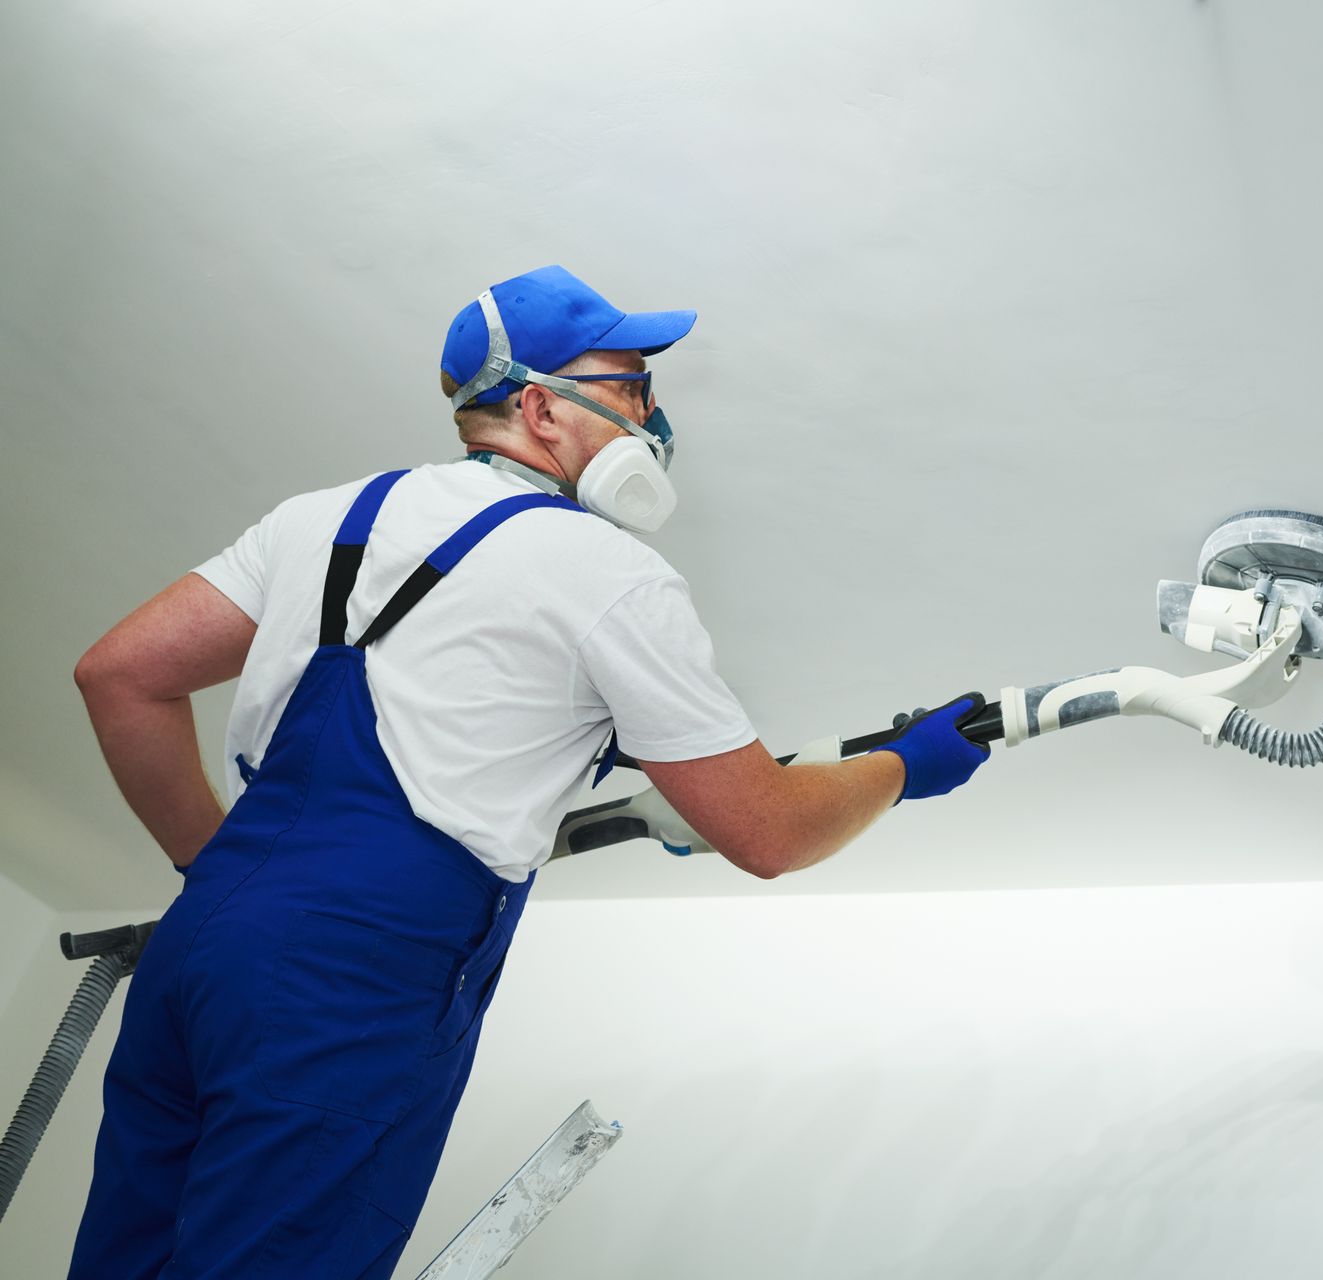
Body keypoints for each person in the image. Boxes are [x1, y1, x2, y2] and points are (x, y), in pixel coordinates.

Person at [65, 265, 991, 1278]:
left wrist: (222, 877)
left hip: (210, 946)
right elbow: (766, 831)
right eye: (633, 385)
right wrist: (905, 765)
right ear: (542, 404)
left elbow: (120, 675)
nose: (651, 414)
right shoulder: (609, 572)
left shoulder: (321, 516)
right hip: (352, 974)